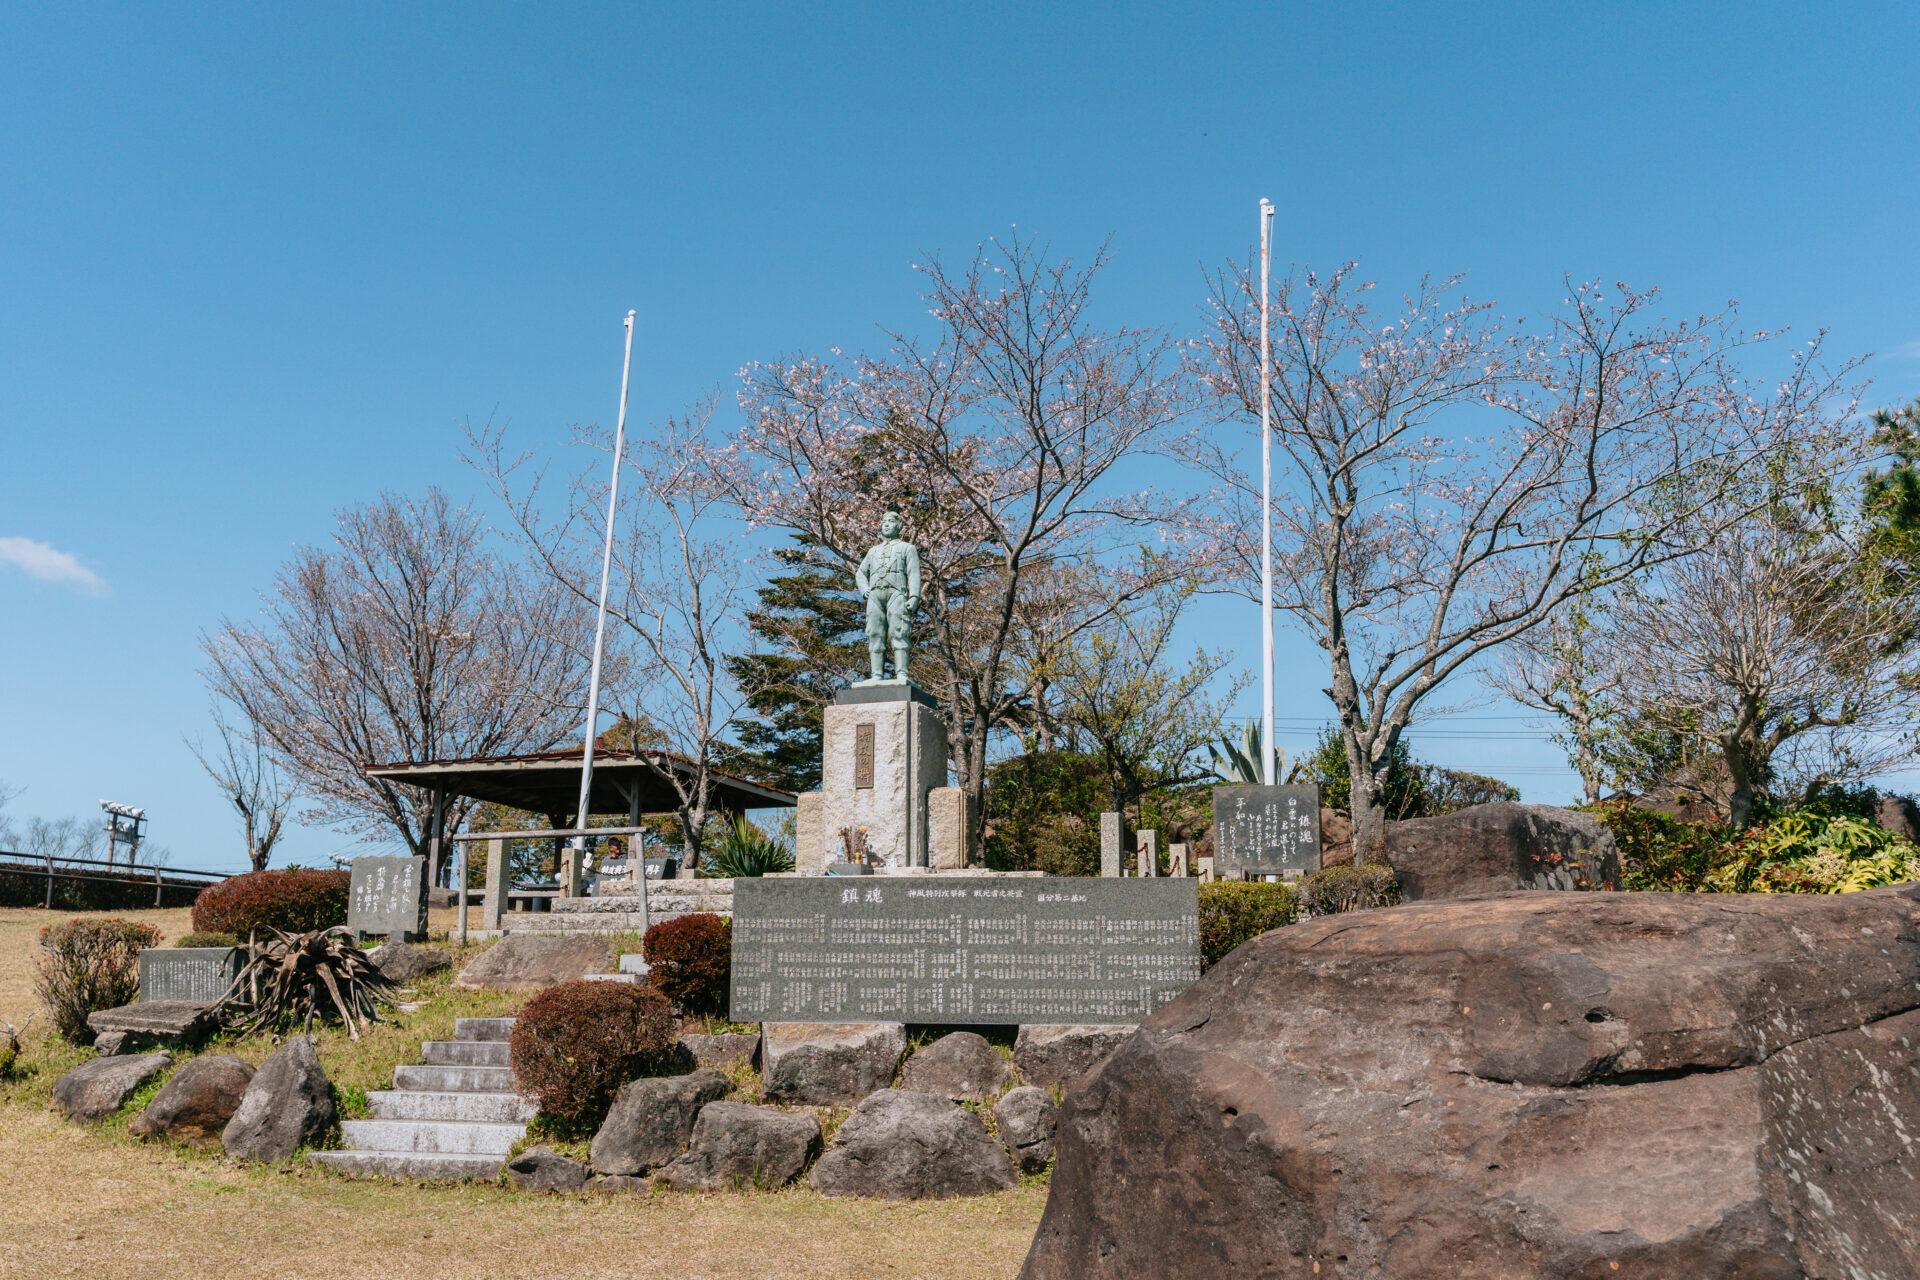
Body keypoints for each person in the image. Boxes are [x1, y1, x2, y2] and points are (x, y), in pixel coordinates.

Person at [854, 510, 921, 682]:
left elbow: (913, 573)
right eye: (884, 522)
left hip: (896, 594)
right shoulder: (873, 551)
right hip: (875, 596)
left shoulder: (907, 548)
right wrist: (864, 589)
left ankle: (902, 673)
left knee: (900, 631)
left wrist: (914, 596)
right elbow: (860, 573)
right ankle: (876, 675)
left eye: (890, 521)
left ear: (898, 526)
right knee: (874, 634)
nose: (886, 525)